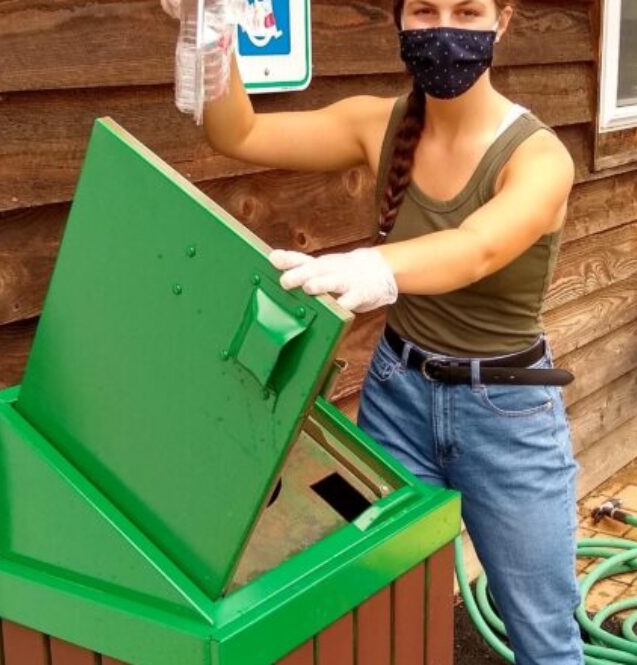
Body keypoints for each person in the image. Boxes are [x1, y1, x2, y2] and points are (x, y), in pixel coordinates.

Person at [165, 1, 580, 662]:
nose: (443, 26)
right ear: (399, 19)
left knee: (542, 628)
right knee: (379, 599)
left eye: (467, 10)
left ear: (503, 21)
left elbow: (476, 247)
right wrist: (211, 31)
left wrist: (372, 265)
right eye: (424, 9)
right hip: (397, 396)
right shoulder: (377, 123)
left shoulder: (538, 157)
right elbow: (236, 135)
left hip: (507, 413)